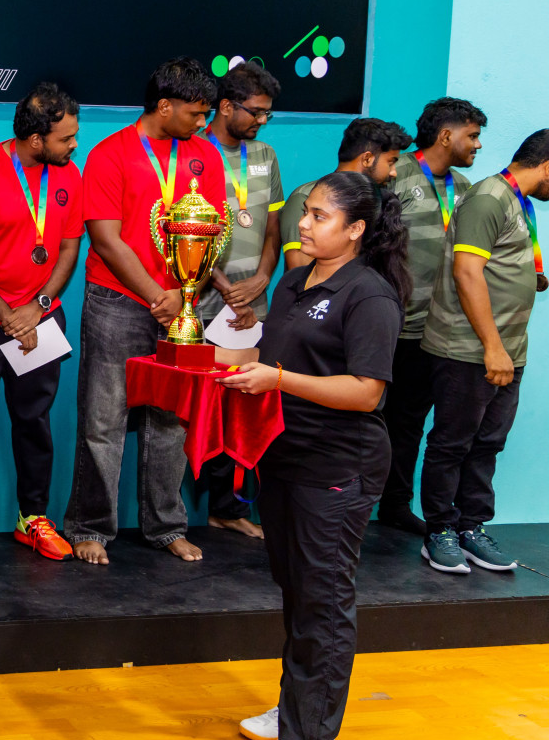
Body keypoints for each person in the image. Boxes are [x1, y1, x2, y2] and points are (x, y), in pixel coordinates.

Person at [218, 171, 406, 740]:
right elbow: (273, 359)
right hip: (286, 456)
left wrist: (279, 383)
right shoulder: (297, 281)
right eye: (306, 212)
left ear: (354, 230)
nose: (303, 223)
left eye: (320, 216)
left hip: (338, 463)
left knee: (324, 601)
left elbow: (365, 391)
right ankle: (297, 710)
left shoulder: (370, 295)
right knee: (298, 590)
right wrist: (203, 357)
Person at [64, 57, 227, 565]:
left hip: (185, 304)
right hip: (118, 302)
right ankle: (90, 526)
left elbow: (214, 232)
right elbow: (107, 240)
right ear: (164, 106)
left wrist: (184, 295)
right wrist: (160, 297)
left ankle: (166, 526)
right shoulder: (111, 154)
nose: (203, 123)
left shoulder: (207, 155)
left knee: (171, 421)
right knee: (103, 419)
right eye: (196, 113)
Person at [416, 130, 549, 573]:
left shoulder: (517, 201)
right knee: (453, 442)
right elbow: (467, 273)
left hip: (508, 351)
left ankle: (471, 527)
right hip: (468, 350)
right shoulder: (488, 198)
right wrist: (493, 348)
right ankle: (439, 531)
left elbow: (499, 261)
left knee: (488, 442)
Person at [0, 83, 81, 560]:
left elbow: (69, 249)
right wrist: (10, 315)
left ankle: (32, 518)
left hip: (42, 318)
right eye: (66, 138)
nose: (74, 145)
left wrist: (40, 306)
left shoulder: (70, 175)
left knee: (35, 421)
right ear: (36, 140)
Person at [378, 97, 487, 535]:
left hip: (434, 332)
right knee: (375, 421)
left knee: (410, 424)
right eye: (473, 135)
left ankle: (395, 505)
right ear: (447, 135)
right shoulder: (394, 172)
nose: (477, 145)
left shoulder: (465, 187)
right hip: (390, 325)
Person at [194, 63, 284, 540]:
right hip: (206, 298)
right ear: (226, 106)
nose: (261, 122)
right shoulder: (192, 151)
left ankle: (229, 508)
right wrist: (228, 289)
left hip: (254, 301)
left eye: (268, 115)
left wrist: (263, 279)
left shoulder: (265, 155)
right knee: (199, 403)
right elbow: (182, 234)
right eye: (256, 113)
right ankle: (184, 513)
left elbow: (272, 227)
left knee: (244, 402)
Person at [282, 117, 413, 270]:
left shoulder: (377, 203)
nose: (393, 172)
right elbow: (300, 270)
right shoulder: (305, 197)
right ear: (368, 159)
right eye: (390, 162)